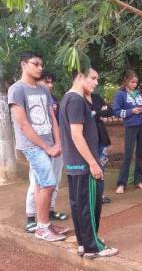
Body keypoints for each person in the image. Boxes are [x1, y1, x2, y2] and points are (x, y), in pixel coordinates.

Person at [8, 51, 68, 241]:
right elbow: (23, 124)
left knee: (43, 184)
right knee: (48, 183)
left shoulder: (43, 90)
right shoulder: (17, 90)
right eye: (36, 64)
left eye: (41, 65)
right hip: (32, 146)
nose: (40, 68)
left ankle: (45, 224)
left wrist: (57, 142)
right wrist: (47, 147)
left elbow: (52, 118)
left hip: (49, 143)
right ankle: (42, 227)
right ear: (24, 65)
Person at [59, 68, 118, 258]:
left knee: (79, 205)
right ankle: (94, 247)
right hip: (84, 164)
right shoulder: (76, 100)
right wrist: (93, 164)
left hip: (74, 163)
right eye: (93, 78)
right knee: (90, 206)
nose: (96, 82)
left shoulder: (68, 98)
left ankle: (84, 243)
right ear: (80, 76)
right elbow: (77, 135)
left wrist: (88, 94)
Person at [24, 71, 67, 233]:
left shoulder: (52, 98)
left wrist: (59, 143)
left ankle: (49, 212)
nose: (50, 85)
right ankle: (31, 217)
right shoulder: (29, 97)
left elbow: (57, 121)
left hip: (55, 144)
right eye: (46, 82)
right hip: (38, 147)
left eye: (51, 82)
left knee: (53, 180)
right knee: (37, 182)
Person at [112, 69, 142, 194]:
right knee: (128, 155)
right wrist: (131, 111)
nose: (135, 84)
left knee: (140, 154)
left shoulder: (138, 93)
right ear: (126, 81)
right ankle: (121, 184)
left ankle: (138, 180)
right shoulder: (120, 94)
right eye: (132, 82)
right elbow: (116, 111)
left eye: (136, 82)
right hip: (131, 126)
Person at [87, 92, 113, 204]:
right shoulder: (77, 97)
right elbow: (86, 116)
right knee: (90, 166)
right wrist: (99, 112)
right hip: (87, 138)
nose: (95, 82)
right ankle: (89, 195)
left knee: (101, 165)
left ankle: (100, 194)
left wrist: (95, 112)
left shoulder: (96, 96)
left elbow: (109, 111)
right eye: (92, 79)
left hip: (101, 136)